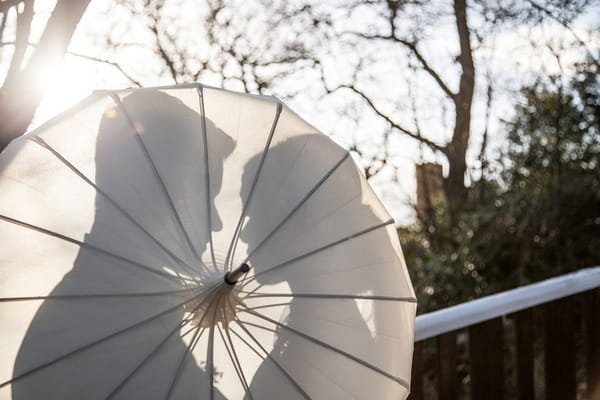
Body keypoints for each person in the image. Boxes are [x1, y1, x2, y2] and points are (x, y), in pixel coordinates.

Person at [12, 90, 233, 399]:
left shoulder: (117, 309)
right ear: (158, 192)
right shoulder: (106, 331)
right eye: (206, 197)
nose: (217, 222)